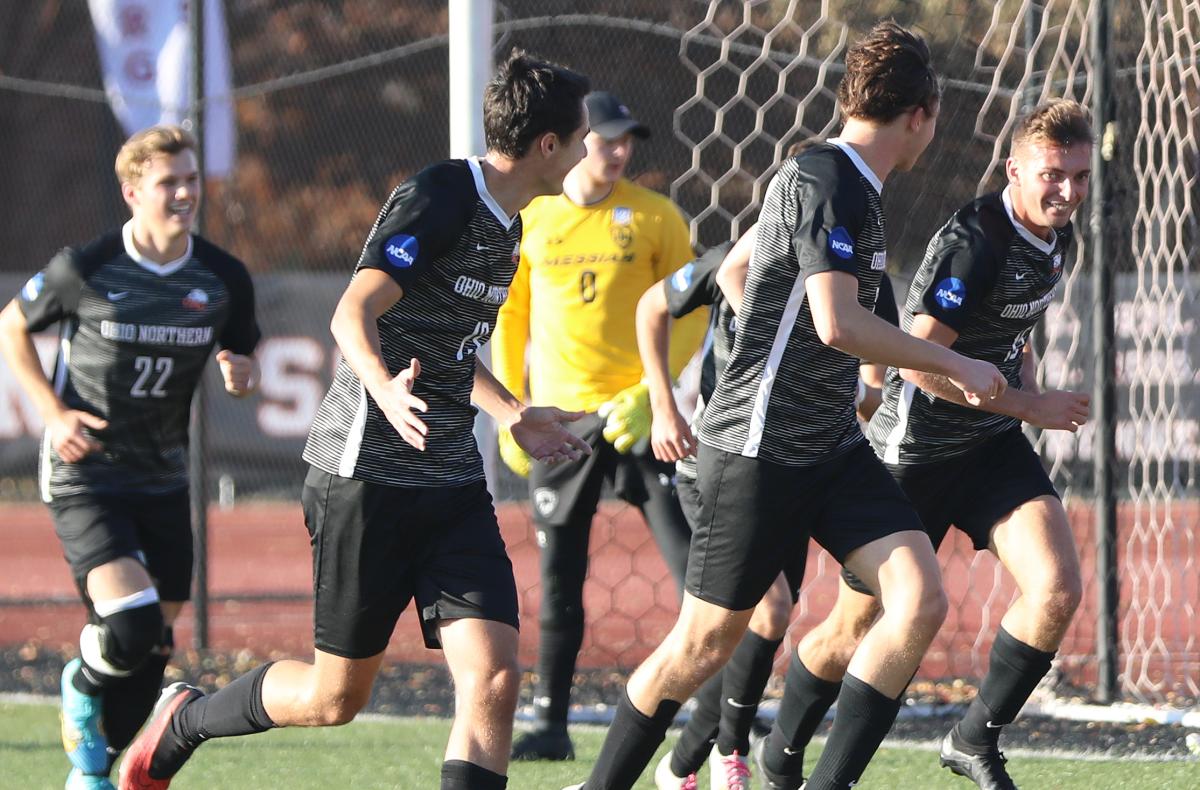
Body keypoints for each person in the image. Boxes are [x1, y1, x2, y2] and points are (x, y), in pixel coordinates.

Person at [118, 51, 592, 790]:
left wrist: (512, 413)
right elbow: (352, 313)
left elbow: (444, 344)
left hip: (450, 479)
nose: (590, 151)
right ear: (548, 144)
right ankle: (185, 717)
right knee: (333, 698)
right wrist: (383, 389)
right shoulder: (440, 194)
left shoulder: (512, 225)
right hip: (365, 472)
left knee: (495, 677)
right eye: (583, 137)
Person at [566, 21, 1009, 790]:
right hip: (756, 450)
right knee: (703, 644)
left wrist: (787, 345)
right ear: (922, 115)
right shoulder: (825, 177)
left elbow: (743, 270)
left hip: (830, 449)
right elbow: (836, 324)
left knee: (918, 598)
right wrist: (953, 361)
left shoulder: (844, 186)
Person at [753, 99, 1094, 790]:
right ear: (1014, 169)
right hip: (914, 454)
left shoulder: (1058, 235)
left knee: (1057, 589)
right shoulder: (977, 240)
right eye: (1053, 175)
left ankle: (973, 739)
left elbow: (1013, 328)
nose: (1068, 191)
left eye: (1081, 176)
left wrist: (1023, 385)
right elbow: (918, 366)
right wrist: (1031, 405)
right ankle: (782, 749)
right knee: (855, 629)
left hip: (991, 445)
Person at [0, 125, 261, 790]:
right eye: (169, 182)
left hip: (163, 478)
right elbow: (11, 326)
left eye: (191, 180)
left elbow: (242, 351)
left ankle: (95, 771)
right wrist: (53, 413)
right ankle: (81, 684)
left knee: (153, 645)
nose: (185, 194)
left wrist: (241, 372)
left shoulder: (223, 276)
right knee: (131, 621)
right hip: (86, 472)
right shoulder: (87, 267)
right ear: (132, 192)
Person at [638, 223, 899, 790]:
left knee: (740, 630)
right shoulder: (734, 261)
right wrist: (663, 407)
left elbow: (873, 390)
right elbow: (651, 307)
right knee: (765, 612)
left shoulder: (861, 278)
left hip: (795, 471)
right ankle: (729, 753)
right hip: (720, 465)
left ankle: (681, 765)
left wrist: (858, 390)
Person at [491, 90, 707, 762]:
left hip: (639, 420)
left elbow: (695, 311)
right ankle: (551, 724)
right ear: (575, 140)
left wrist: (652, 391)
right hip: (564, 421)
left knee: (697, 568)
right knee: (559, 576)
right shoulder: (533, 217)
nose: (619, 151)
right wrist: (512, 411)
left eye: (626, 140)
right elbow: (510, 317)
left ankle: (718, 713)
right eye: (606, 139)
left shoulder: (656, 217)